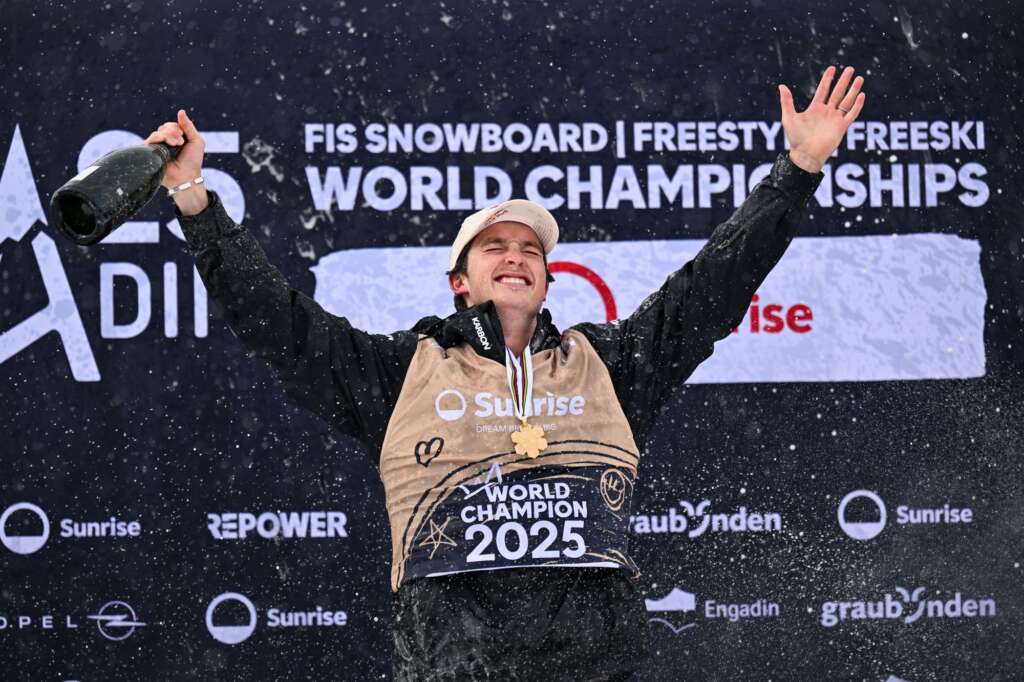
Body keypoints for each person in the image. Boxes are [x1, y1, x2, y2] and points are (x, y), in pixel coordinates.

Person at [148, 65, 865, 681]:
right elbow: (276, 322)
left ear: (549, 281)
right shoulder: (402, 372)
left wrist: (796, 172)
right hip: (453, 668)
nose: (516, 255)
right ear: (460, 280)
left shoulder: (606, 366)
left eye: (530, 248)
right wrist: (194, 200)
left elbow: (713, 285)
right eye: (494, 246)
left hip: (594, 666)